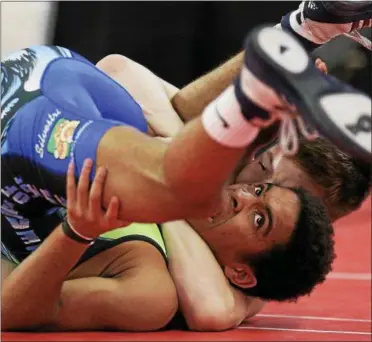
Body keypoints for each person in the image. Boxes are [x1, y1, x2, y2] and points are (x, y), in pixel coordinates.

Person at [2, 2, 371, 333]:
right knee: (161, 151)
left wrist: (77, 233)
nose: (242, 192)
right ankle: (286, 53)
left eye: (260, 219)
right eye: (260, 182)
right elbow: (120, 71)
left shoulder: (160, 284)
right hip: (43, 105)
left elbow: (213, 311)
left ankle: (276, 66)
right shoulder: (189, 189)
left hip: (28, 139)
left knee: (173, 175)